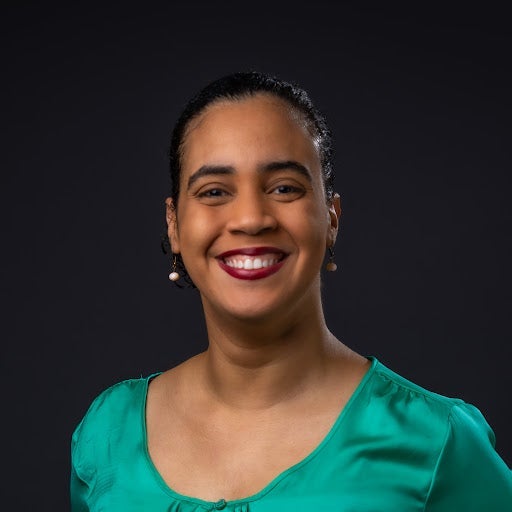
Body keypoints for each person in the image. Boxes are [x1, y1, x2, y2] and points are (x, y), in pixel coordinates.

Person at [70, 72, 511, 511]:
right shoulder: (108, 434)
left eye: (284, 188)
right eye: (214, 191)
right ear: (174, 224)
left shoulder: (435, 442)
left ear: (331, 217)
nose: (250, 218)